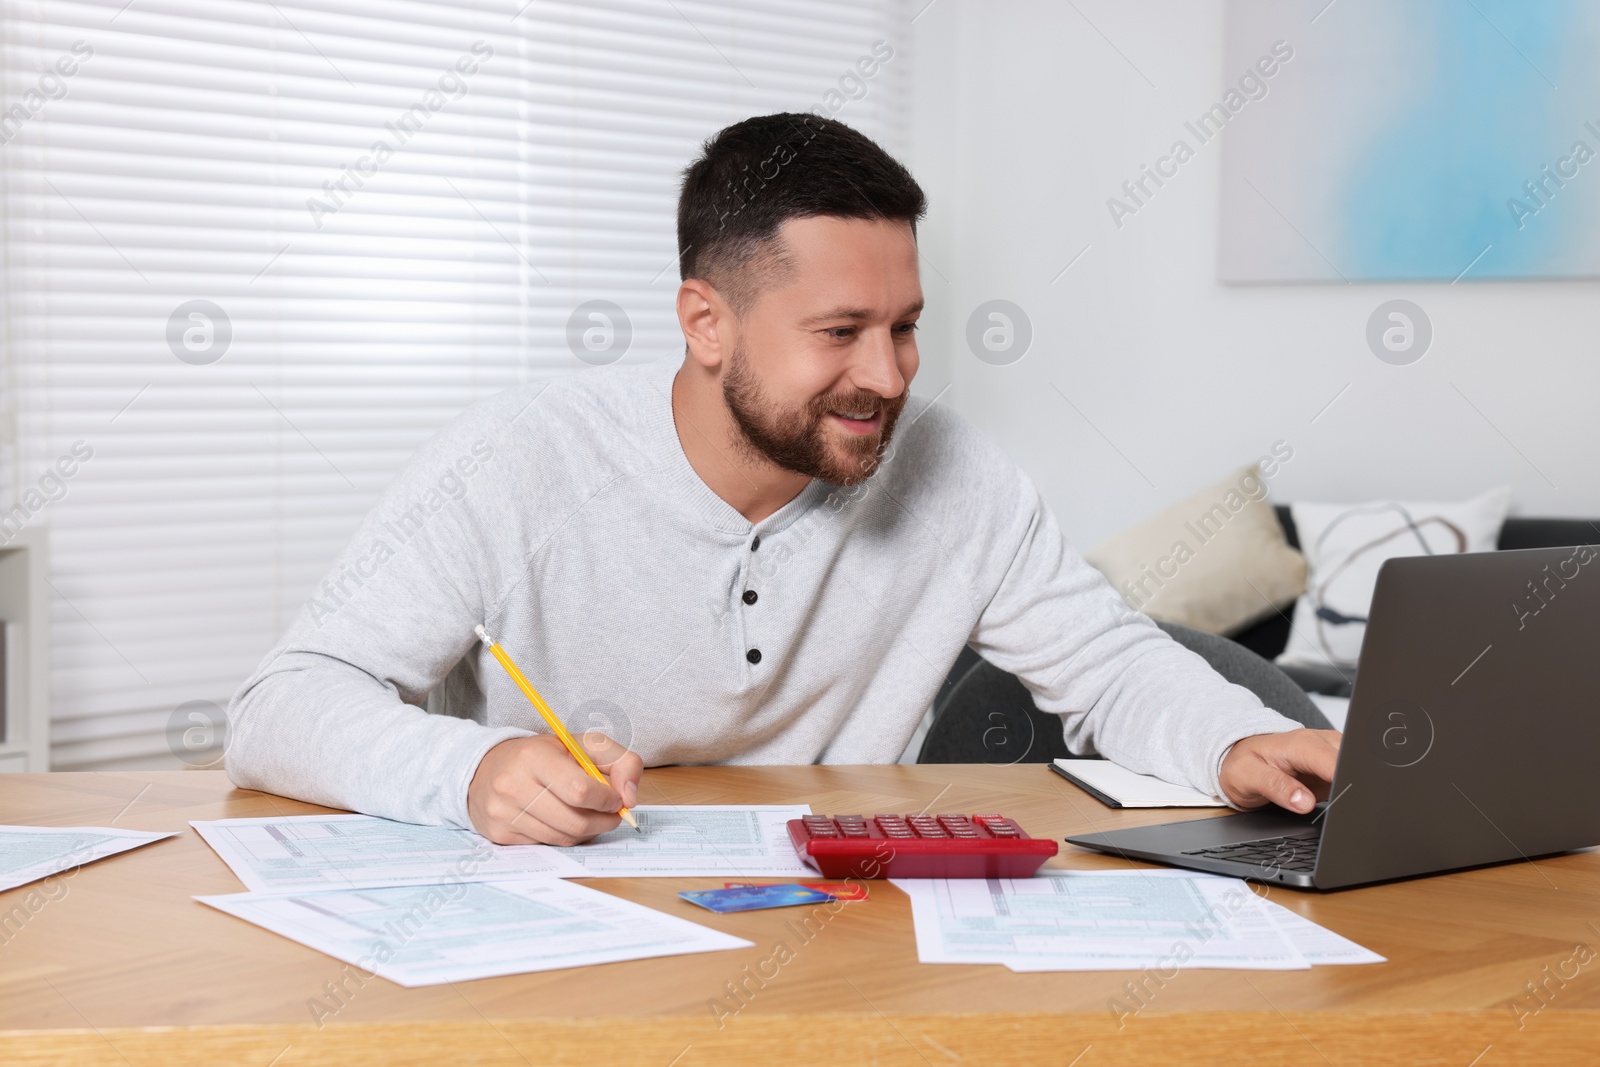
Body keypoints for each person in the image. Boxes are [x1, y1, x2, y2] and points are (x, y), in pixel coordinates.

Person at [226, 113, 1339, 846]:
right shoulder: (518, 458)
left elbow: (1107, 669)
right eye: (841, 330)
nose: (887, 374)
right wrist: (473, 769)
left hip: (834, 923)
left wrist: (1230, 739)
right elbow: (281, 706)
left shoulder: (957, 474)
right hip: (562, 925)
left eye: (905, 327)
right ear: (705, 322)